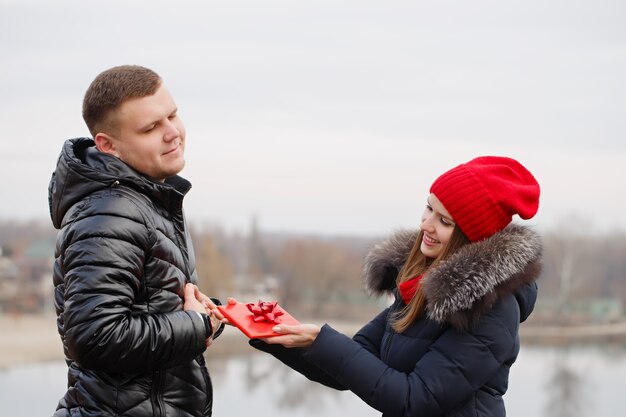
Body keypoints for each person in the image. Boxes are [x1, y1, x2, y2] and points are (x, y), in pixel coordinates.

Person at [240, 156, 542, 417]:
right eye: (428, 208)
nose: (426, 224)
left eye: (445, 221)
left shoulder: (492, 310)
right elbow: (351, 365)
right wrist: (265, 329)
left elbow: (413, 398)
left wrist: (324, 340)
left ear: (470, 237)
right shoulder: (420, 287)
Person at [48, 65, 224, 417]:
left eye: (172, 115)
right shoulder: (108, 213)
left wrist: (203, 315)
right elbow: (97, 337)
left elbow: (145, 308)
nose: (173, 132)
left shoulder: (148, 200)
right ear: (108, 145)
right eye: (150, 128)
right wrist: (195, 324)